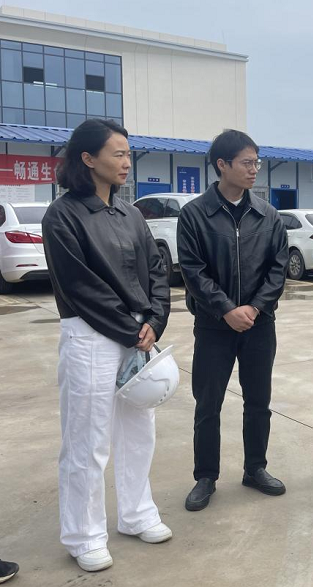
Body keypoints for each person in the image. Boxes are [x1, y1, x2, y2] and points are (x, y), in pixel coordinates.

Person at [42, 119, 172, 572]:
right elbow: (80, 286)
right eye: (117, 154)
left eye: (128, 153)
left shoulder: (129, 213)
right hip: (90, 335)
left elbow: (156, 269)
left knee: (139, 429)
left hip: (137, 333)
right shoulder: (62, 216)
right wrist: (128, 327)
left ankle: (136, 514)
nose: (126, 162)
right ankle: (84, 535)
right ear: (87, 158)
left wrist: (155, 319)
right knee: (88, 438)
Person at [178, 130, 288, 511]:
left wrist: (254, 309)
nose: (254, 169)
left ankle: (255, 468)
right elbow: (193, 271)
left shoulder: (268, 215)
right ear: (222, 165)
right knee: (208, 403)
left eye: (257, 162)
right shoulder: (195, 214)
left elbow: (278, 269)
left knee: (259, 401)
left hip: (259, 324)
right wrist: (226, 309)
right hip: (214, 326)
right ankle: (205, 476)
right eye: (246, 162)